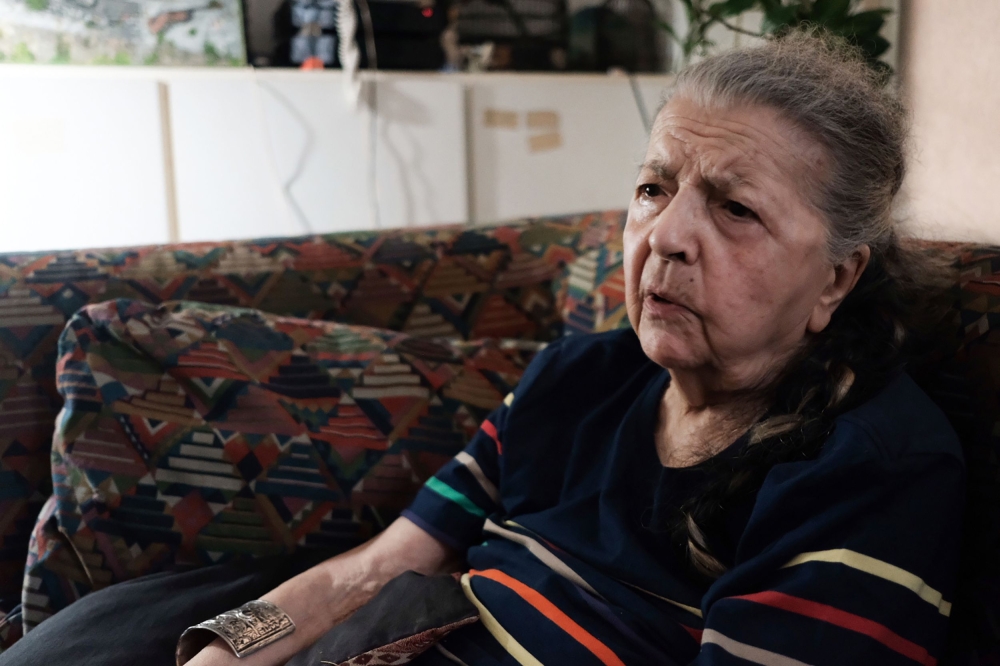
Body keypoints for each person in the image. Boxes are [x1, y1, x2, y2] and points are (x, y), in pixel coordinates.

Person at [1, 31, 964, 666]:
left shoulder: (870, 469)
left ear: (835, 279)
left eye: (736, 208)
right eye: (653, 189)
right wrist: (226, 653)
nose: (666, 236)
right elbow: (376, 568)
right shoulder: (577, 377)